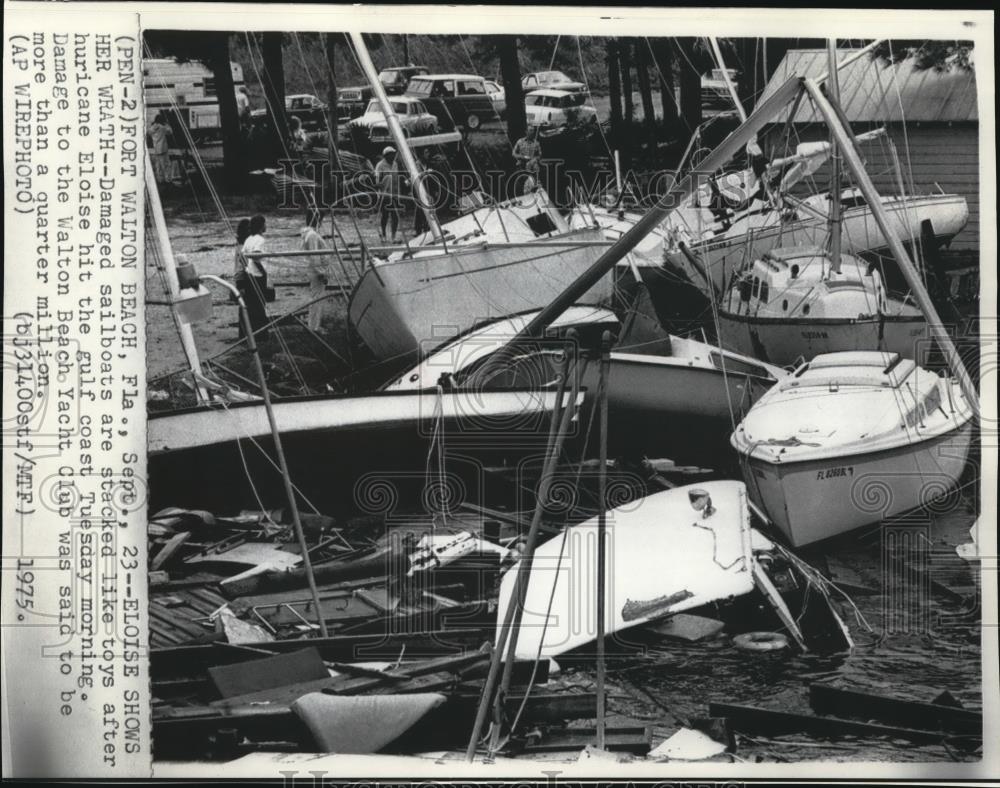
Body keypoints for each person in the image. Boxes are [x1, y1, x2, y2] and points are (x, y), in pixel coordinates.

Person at [239, 214, 270, 342]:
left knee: (250, 305)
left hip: (249, 274)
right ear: (261, 226)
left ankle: (248, 333)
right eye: (264, 224)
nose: (266, 226)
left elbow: (242, 257)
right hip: (257, 275)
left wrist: (247, 267)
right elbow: (256, 255)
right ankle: (260, 335)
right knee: (259, 305)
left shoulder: (249, 239)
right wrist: (263, 271)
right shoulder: (260, 240)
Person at [300, 208, 332, 332]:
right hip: (316, 270)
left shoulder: (309, 234)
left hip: (315, 269)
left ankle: (314, 324)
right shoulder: (312, 235)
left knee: (316, 297)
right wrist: (321, 272)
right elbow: (314, 255)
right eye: (320, 219)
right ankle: (314, 327)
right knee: (316, 298)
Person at [375, 146, 406, 244]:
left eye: (394, 154)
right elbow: (377, 181)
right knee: (385, 215)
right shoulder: (380, 165)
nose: (393, 156)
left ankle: (393, 236)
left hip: (395, 194)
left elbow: (397, 179)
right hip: (385, 195)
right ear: (386, 156)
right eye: (391, 155)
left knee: (395, 216)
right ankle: (384, 235)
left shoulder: (395, 164)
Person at [513, 126, 542, 194]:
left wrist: (534, 159)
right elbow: (514, 153)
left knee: (536, 170)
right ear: (526, 131)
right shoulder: (520, 141)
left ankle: (534, 190)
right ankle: (519, 194)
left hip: (531, 165)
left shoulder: (536, 143)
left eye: (533, 131)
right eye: (530, 130)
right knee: (519, 183)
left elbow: (540, 155)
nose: (532, 132)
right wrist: (523, 157)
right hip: (521, 164)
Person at [149, 112, 171, 184]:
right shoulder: (162, 128)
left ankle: (160, 180)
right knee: (166, 165)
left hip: (156, 149)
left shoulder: (151, 128)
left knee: (158, 166)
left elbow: (148, 133)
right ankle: (168, 180)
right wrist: (167, 124)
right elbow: (170, 132)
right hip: (163, 149)